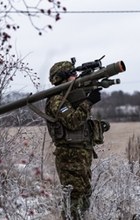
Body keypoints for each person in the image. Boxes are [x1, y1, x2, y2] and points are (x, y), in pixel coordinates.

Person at [45, 61, 107, 219]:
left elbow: (80, 120)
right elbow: (72, 121)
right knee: (74, 198)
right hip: (69, 156)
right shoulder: (56, 99)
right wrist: (89, 102)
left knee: (85, 194)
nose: (76, 76)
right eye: (72, 74)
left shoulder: (72, 95)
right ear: (62, 78)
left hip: (81, 154)